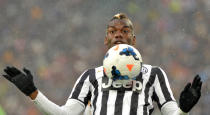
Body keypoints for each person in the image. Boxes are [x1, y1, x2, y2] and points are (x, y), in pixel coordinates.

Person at [2, 13, 202, 115]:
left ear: (134, 39)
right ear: (106, 39)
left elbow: (172, 114)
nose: (118, 34)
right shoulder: (91, 76)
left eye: (125, 31)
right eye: (113, 31)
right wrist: (33, 92)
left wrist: (183, 110)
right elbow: (65, 114)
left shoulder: (154, 74)